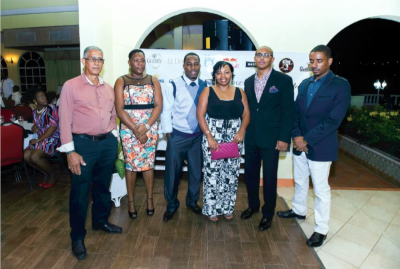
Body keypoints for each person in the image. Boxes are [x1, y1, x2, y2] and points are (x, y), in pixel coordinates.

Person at [277, 45, 351, 247]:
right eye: (311, 61)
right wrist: (297, 136)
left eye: (319, 60)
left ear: (329, 61)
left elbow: (334, 121)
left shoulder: (340, 85)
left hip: (321, 145)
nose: (315, 65)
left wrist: (306, 139)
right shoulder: (304, 84)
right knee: (300, 181)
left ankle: (321, 229)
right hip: (300, 143)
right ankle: (299, 210)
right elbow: (296, 114)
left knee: (320, 190)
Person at [57, 46, 122, 261]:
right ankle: (77, 236)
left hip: (107, 145)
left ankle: (100, 221)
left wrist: (114, 136)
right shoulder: (71, 86)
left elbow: (112, 114)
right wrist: (70, 152)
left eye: (100, 59)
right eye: (92, 59)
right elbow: (64, 120)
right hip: (82, 145)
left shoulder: (108, 87)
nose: (96, 63)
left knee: (103, 187)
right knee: (80, 193)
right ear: (83, 61)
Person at [241, 46, 295, 231]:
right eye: (259, 54)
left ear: (272, 59)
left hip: (273, 139)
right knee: (250, 175)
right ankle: (253, 206)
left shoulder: (283, 80)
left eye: (266, 55)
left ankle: (268, 213)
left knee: (270, 178)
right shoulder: (248, 82)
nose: (262, 58)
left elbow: (289, 111)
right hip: (251, 138)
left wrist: (284, 138)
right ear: (255, 58)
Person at [197, 61, 250, 222]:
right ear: (214, 75)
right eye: (219, 73)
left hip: (234, 139)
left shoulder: (240, 91)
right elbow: (200, 115)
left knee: (231, 175)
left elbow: (246, 114)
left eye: (226, 72)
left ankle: (227, 207)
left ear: (232, 74)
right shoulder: (207, 91)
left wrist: (241, 130)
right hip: (212, 138)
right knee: (213, 174)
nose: (223, 76)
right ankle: (211, 208)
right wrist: (209, 136)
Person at [114, 49, 162, 219]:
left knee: (148, 164)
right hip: (129, 129)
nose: (140, 63)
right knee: (131, 165)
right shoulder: (121, 81)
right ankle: (131, 202)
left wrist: (146, 126)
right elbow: (119, 109)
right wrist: (136, 129)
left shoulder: (153, 80)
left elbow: (158, 106)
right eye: (136, 60)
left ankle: (150, 200)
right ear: (129, 62)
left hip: (150, 128)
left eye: (142, 60)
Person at [160, 52, 206, 221]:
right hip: (178, 136)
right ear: (184, 66)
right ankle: (171, 205)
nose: (192, 67)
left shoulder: (204, 85)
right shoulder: (173, 85)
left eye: (196, 64)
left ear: (199, 66)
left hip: (197, 137)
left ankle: (192, 201)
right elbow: (166, 111)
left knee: (195, 173)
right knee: (172, 174)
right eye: (189, 64)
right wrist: (169, 134)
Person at [24, 89, 60, 187]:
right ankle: (46, 173)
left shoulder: (51, 108)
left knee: (34, 156)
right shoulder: (35, 112)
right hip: (41, 139)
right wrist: (34, 127)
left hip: (53, 139)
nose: (44, 98)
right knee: (26, 155)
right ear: (35, 101)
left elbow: (53, 127)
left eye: (44, 95)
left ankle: (52, 174)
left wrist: (38, 140)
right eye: (41, 96)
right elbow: (38, 125)